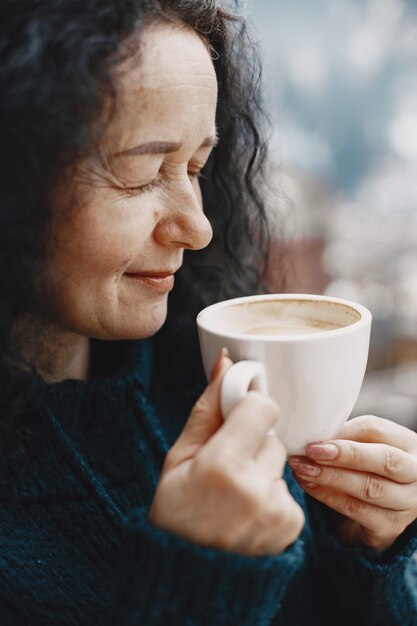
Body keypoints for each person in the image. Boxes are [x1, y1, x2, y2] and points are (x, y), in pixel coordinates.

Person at [1, 1, 417, 624]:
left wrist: (364, 551)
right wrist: (196, 582)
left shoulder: (191, 366)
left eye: (197, 167)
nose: (197, 228)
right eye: (142, 175)